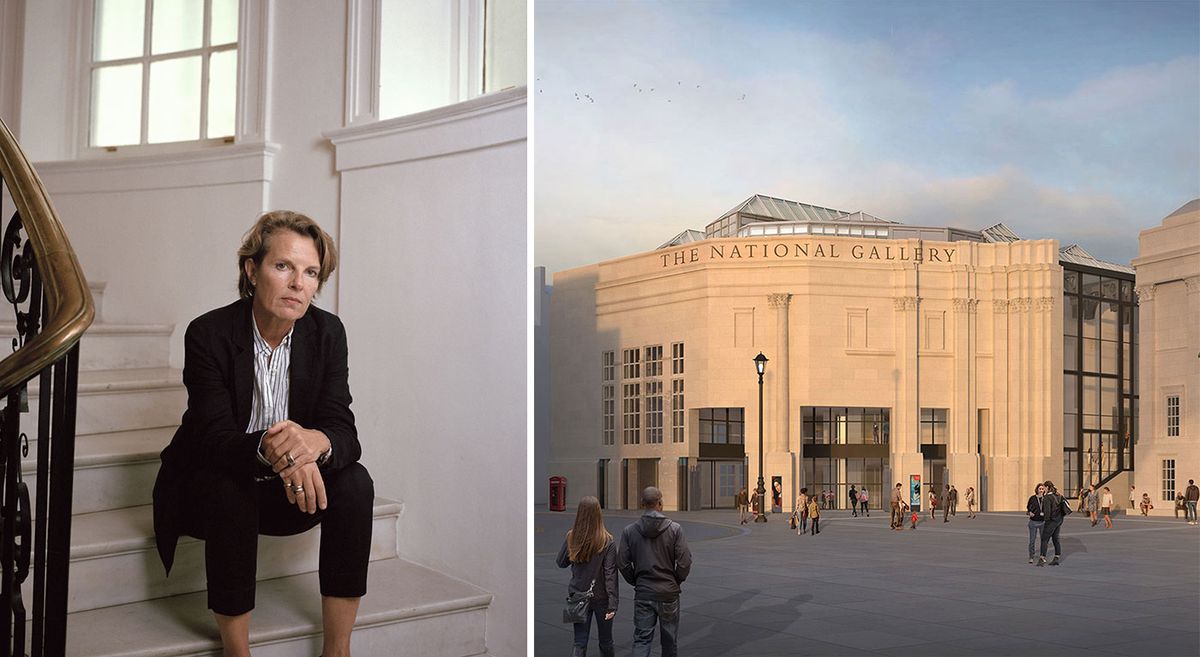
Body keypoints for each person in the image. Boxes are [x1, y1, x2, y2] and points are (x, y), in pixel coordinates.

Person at [152, 211, 373, 657]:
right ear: (252, 271)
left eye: (310, 273)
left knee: (355, 482)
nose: (298, 284)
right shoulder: (209, 333)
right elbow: (212, 438)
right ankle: (236, 651)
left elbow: (342, 427)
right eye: (283, 266)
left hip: (289, 491)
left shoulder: (328, 333)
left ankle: (338, 649)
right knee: (228, 489)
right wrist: (275, 448)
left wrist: (315, 444)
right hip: (215, 484)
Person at [618, 486, 692, 657]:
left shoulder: (629, 531)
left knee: (642, 640)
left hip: (644, 591)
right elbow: (684, 562)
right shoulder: (675, 529)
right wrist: (676, 580)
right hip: (668, 592)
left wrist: (635, 580)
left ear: (642, 503)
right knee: (669, 641)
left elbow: (622, 562)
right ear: (660, 503)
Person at [557, 496, 618, 657]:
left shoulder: (571, 536)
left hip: (578, 596)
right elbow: (610, 575)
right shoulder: (607, 541)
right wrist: (613, 603)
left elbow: (561, 562)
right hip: (602, 598)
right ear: (598, 514)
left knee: (579, 641)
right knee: (606, 640)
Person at [1038, 481, 1065, 566]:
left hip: (1051, 521)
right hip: (1059, 521)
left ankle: (1042, 558)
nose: (1043, 489)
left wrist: (1045, 520)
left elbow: (1047, 512)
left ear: (1047, 487)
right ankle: (1056, 557)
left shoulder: (1047, 497)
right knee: (1055, 539)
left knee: (1044, 539)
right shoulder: (1058, 495)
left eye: (1044, 488)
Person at [1027, 484, 1046, 564]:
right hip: (1033, 522)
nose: (1041, 490)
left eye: (1042, 489)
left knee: (1043, 540)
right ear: (1037, 489)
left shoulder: (1046, 499)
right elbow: (1028, 508)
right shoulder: (1032, 498)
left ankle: (1042, 556)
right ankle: (1031, 556)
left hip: (1043, 522)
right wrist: (1029, 513)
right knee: (1032, 540)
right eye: (1040, 489)